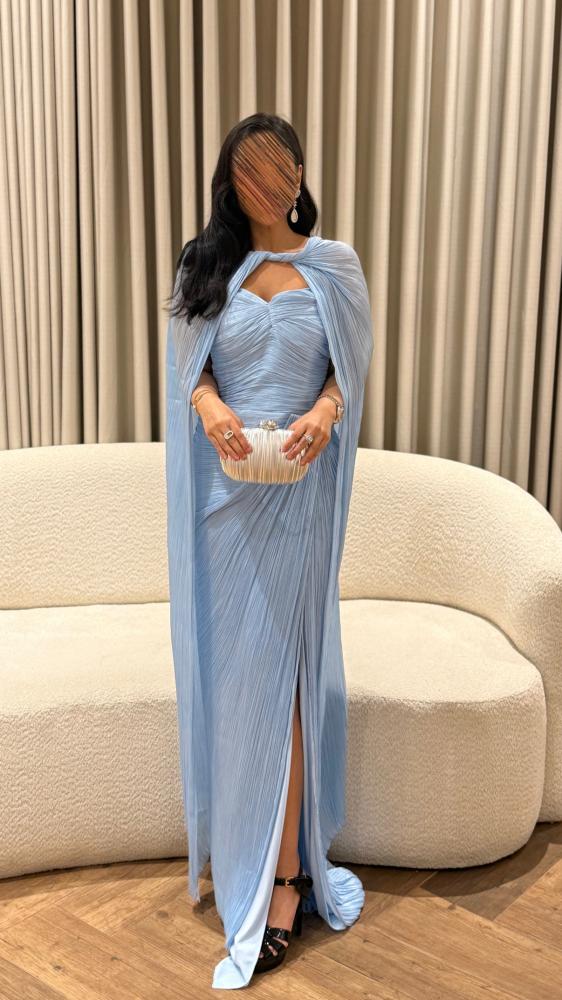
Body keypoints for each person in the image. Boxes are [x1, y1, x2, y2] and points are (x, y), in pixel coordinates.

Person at [165, 112, 373, 989]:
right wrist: (209, 403)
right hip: (227, 505)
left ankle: (285, 879)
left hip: (298, 503)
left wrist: (326, 410)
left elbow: (347, 374)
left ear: (299, 173)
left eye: (278, 167)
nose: (264, 185)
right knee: (236, 684)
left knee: (285, 684)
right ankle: (243, 849)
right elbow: (191, 370)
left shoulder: (336, 268)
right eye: (247, 171)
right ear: (229, 181)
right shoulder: (205, 265)